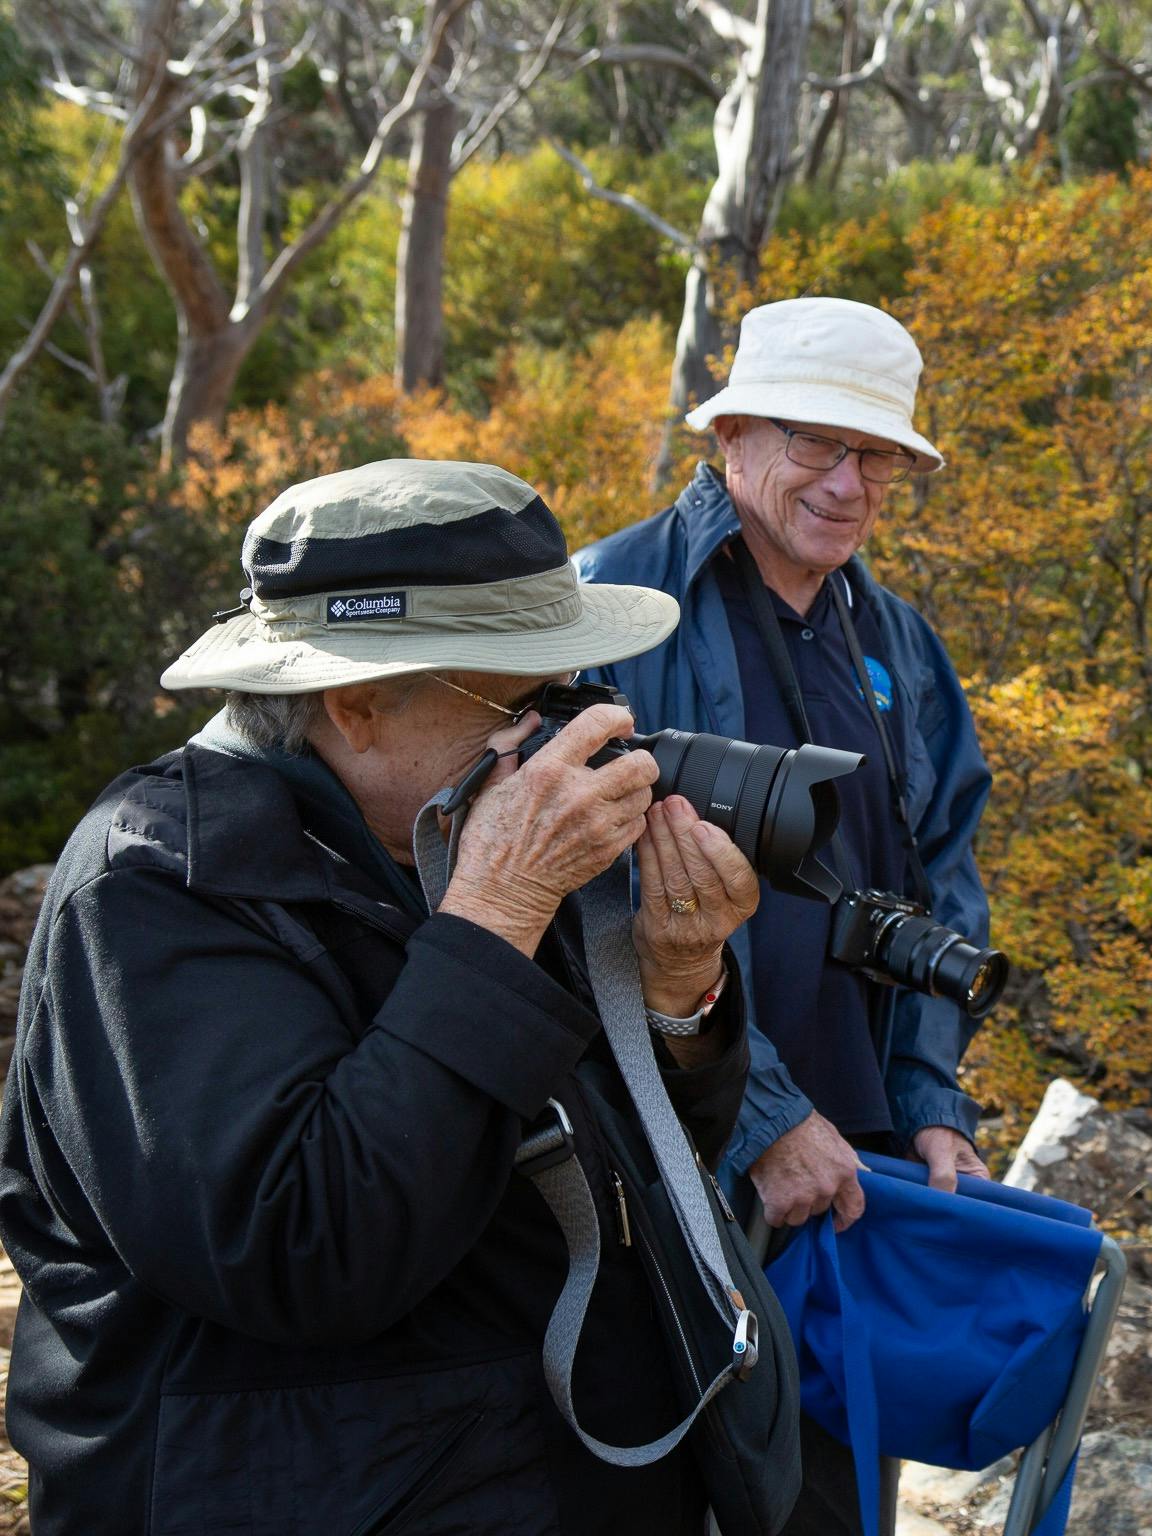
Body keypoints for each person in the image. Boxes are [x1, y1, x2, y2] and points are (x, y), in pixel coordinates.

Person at [0, 459, 766, 1534]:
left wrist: (679, 996)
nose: (568, 735)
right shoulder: (158, 887)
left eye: (577, 689)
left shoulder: (448, 834)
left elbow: (616, 1176)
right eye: (526, 700)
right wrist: (499, 912)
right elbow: (305, 1255)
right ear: (354, 704)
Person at [575, 297, 995, 1236]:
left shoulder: (899, 643)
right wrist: (764, 1115)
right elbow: (574, 903)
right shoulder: (610, 612)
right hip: (675, 1160)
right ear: (731, 431)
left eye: (876, 455)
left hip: (863, 1155)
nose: (849, 485)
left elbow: (945, 870)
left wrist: (930, 1098)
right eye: (814, 444)